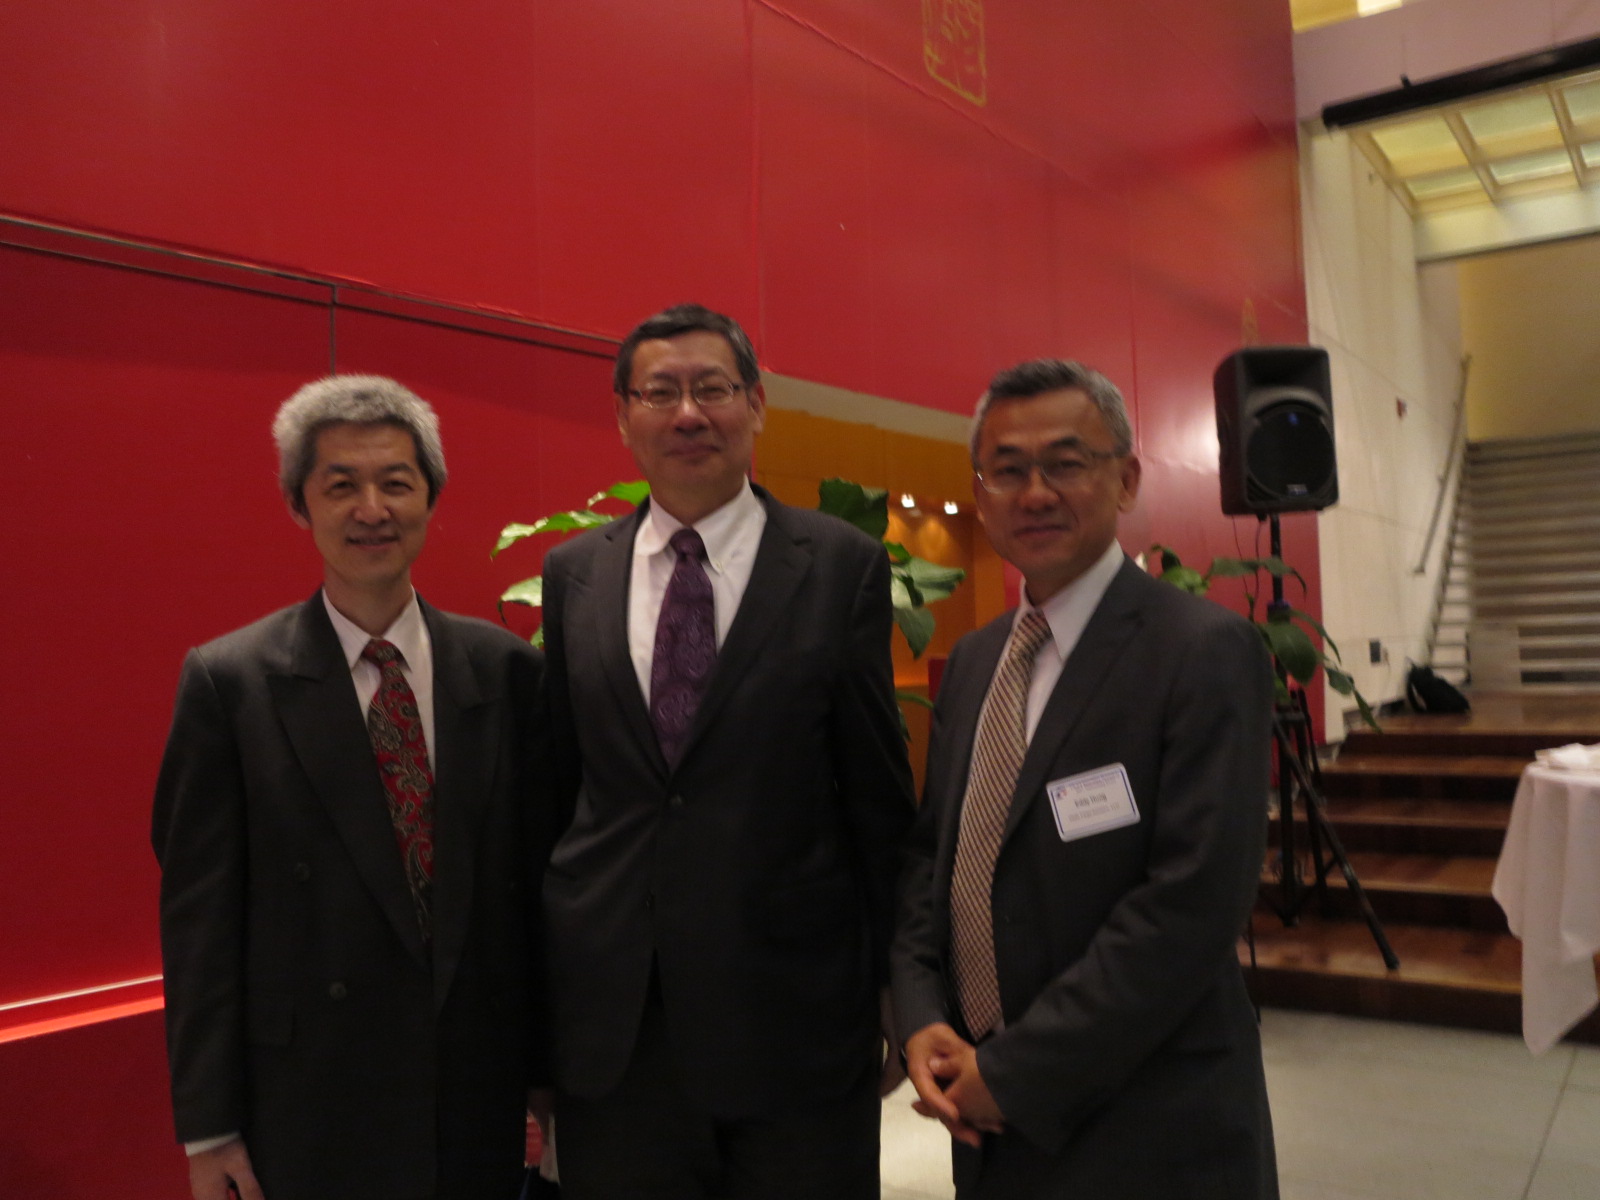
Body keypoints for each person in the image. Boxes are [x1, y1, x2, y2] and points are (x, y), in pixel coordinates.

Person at [537, 303, 916, 1199]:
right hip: (619, 1032)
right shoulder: (574, 573)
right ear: (622, 415)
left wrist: (903, 989)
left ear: (756, 404)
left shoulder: (840, 566)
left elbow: (877, 798)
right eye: (659, 393)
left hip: (793, 1025)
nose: (687, 414)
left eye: (711, 388)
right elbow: (556, 793)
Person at [891, 359, 1278, 1198]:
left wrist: (1018, 1072)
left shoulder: (1201, 651)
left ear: (1127, 479)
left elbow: (1191, 905)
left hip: (1149, 1119)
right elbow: (933, 861)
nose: (1035, 493)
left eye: (1066, 463)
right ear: (981, 491)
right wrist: (920, 1017)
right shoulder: (976, 661)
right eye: (1008, 470)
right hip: (986, 1123)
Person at [152, 375, 545, 1200]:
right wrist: (209, 1129)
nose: (372, 509)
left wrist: (550, 1083)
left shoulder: (506, 672)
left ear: (431, 498)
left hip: (474, 1093)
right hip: (309, 1099)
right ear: (300, 504)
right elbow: (200, 924)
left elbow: (534, 894)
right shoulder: (232, 684)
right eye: (341, 486)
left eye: (396, 482)